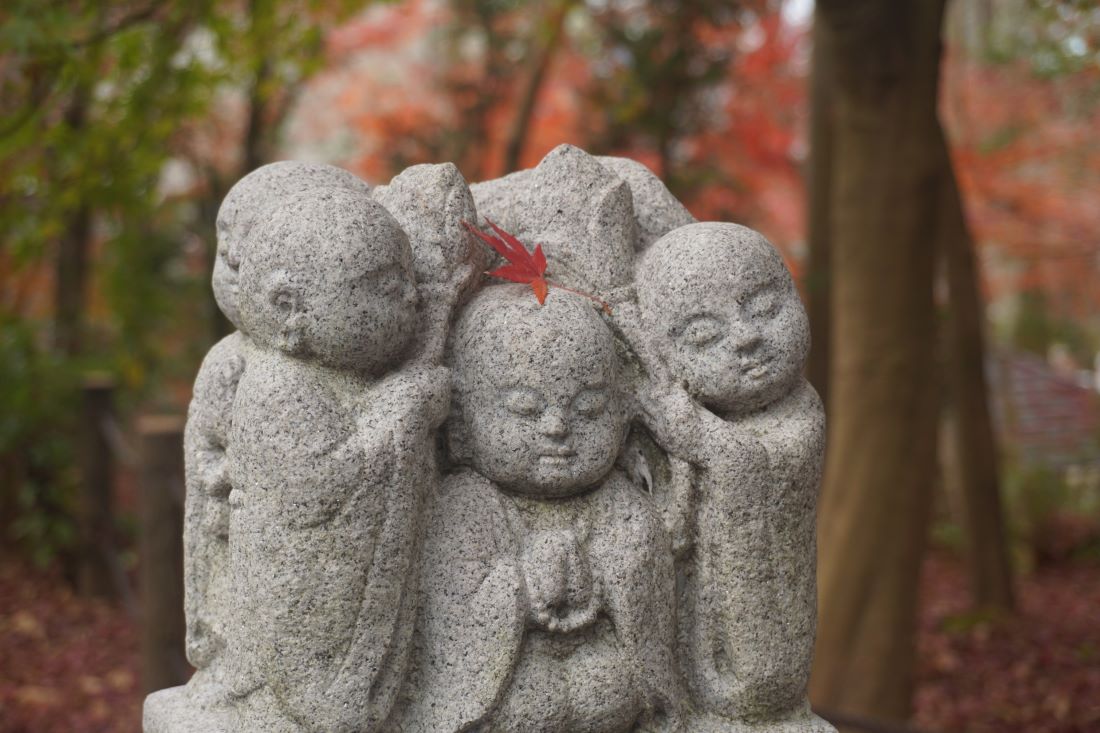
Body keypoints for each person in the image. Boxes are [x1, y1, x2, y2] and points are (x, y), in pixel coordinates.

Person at [400, 285, 681, 732]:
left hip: (604, 687)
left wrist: (605, 576)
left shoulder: (619, 502)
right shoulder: (467, 504)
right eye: (526, 409)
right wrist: (522, 585)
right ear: (461, 425)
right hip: (509, 693)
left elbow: (644, 575)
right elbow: (454, 612)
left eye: (588, 408)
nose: (557, 427)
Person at [226, 185, 448, 731]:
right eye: (384, 287)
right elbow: (320, 491)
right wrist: (404, 413)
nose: (411, 298)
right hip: (310, 603)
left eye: (409, 282)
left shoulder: (343, 377)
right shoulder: (277, 388)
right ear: (290, 307)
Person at [634, 223, 830, 731]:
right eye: (705, 334)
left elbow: (749, 467)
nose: (747, 338)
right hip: (697, 624)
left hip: (767, 629)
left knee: (758, 683)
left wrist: (698, 436)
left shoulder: (800, 411)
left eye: (764, 309)